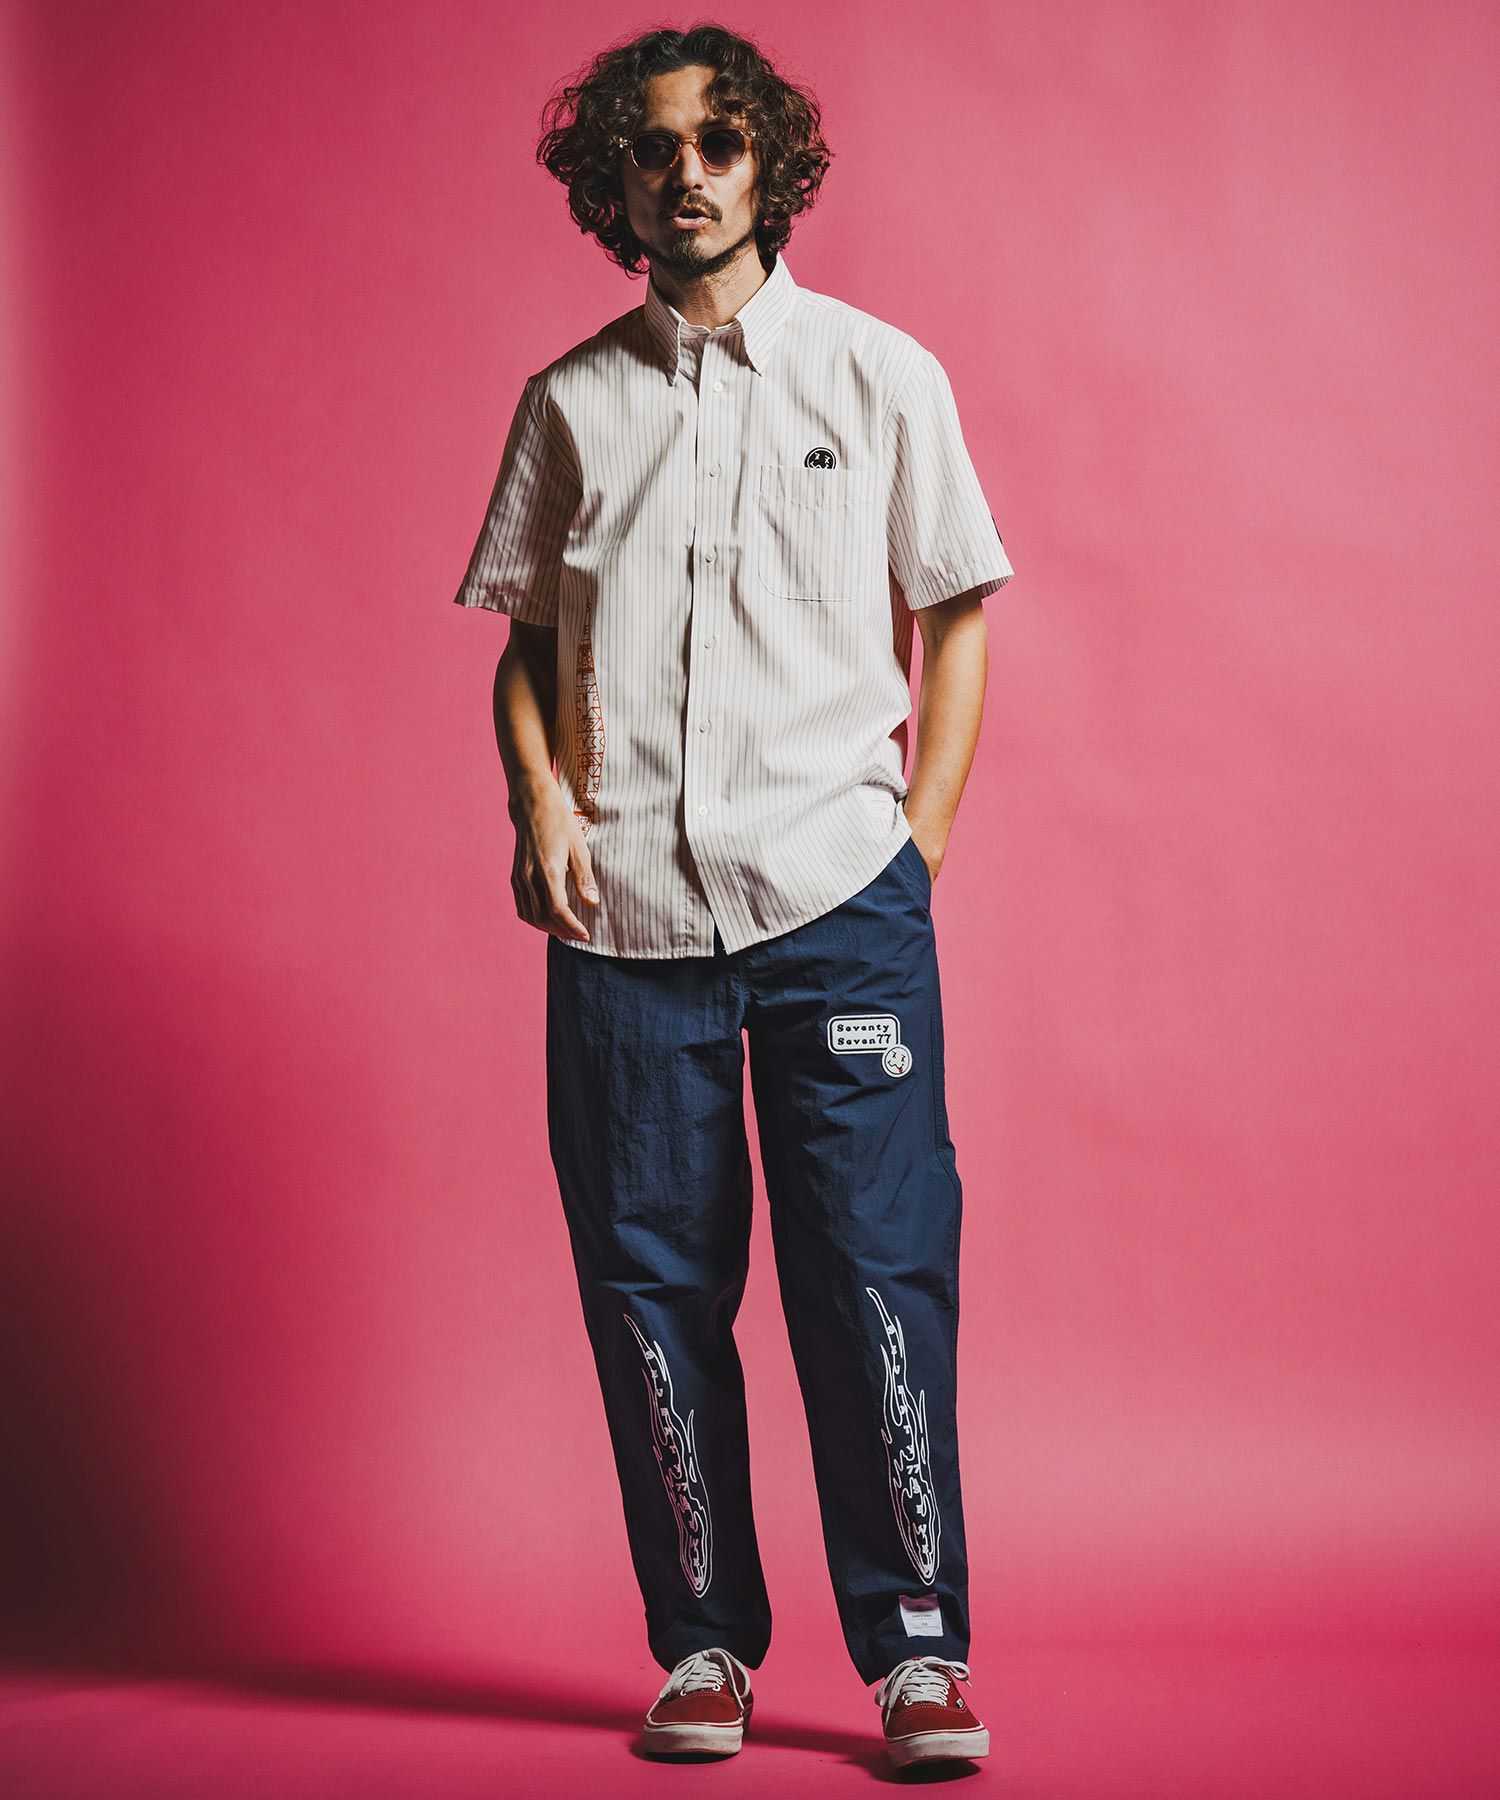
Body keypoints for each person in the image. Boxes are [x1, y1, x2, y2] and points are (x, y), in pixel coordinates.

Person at [452, 23, 1014, 1771]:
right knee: (650, 1291)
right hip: (625, 931)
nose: (683, 174)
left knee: (875, 1277)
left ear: (769, 163)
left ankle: (916, 1652)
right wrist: (540, 797)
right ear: (611, 185)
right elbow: (524, 646)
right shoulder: (569, 404)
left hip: (839, 904)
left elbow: (957, 614)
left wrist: (915, 840)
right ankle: (701, 1645)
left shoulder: (879, 376)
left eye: (716, 142)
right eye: (649, 149)